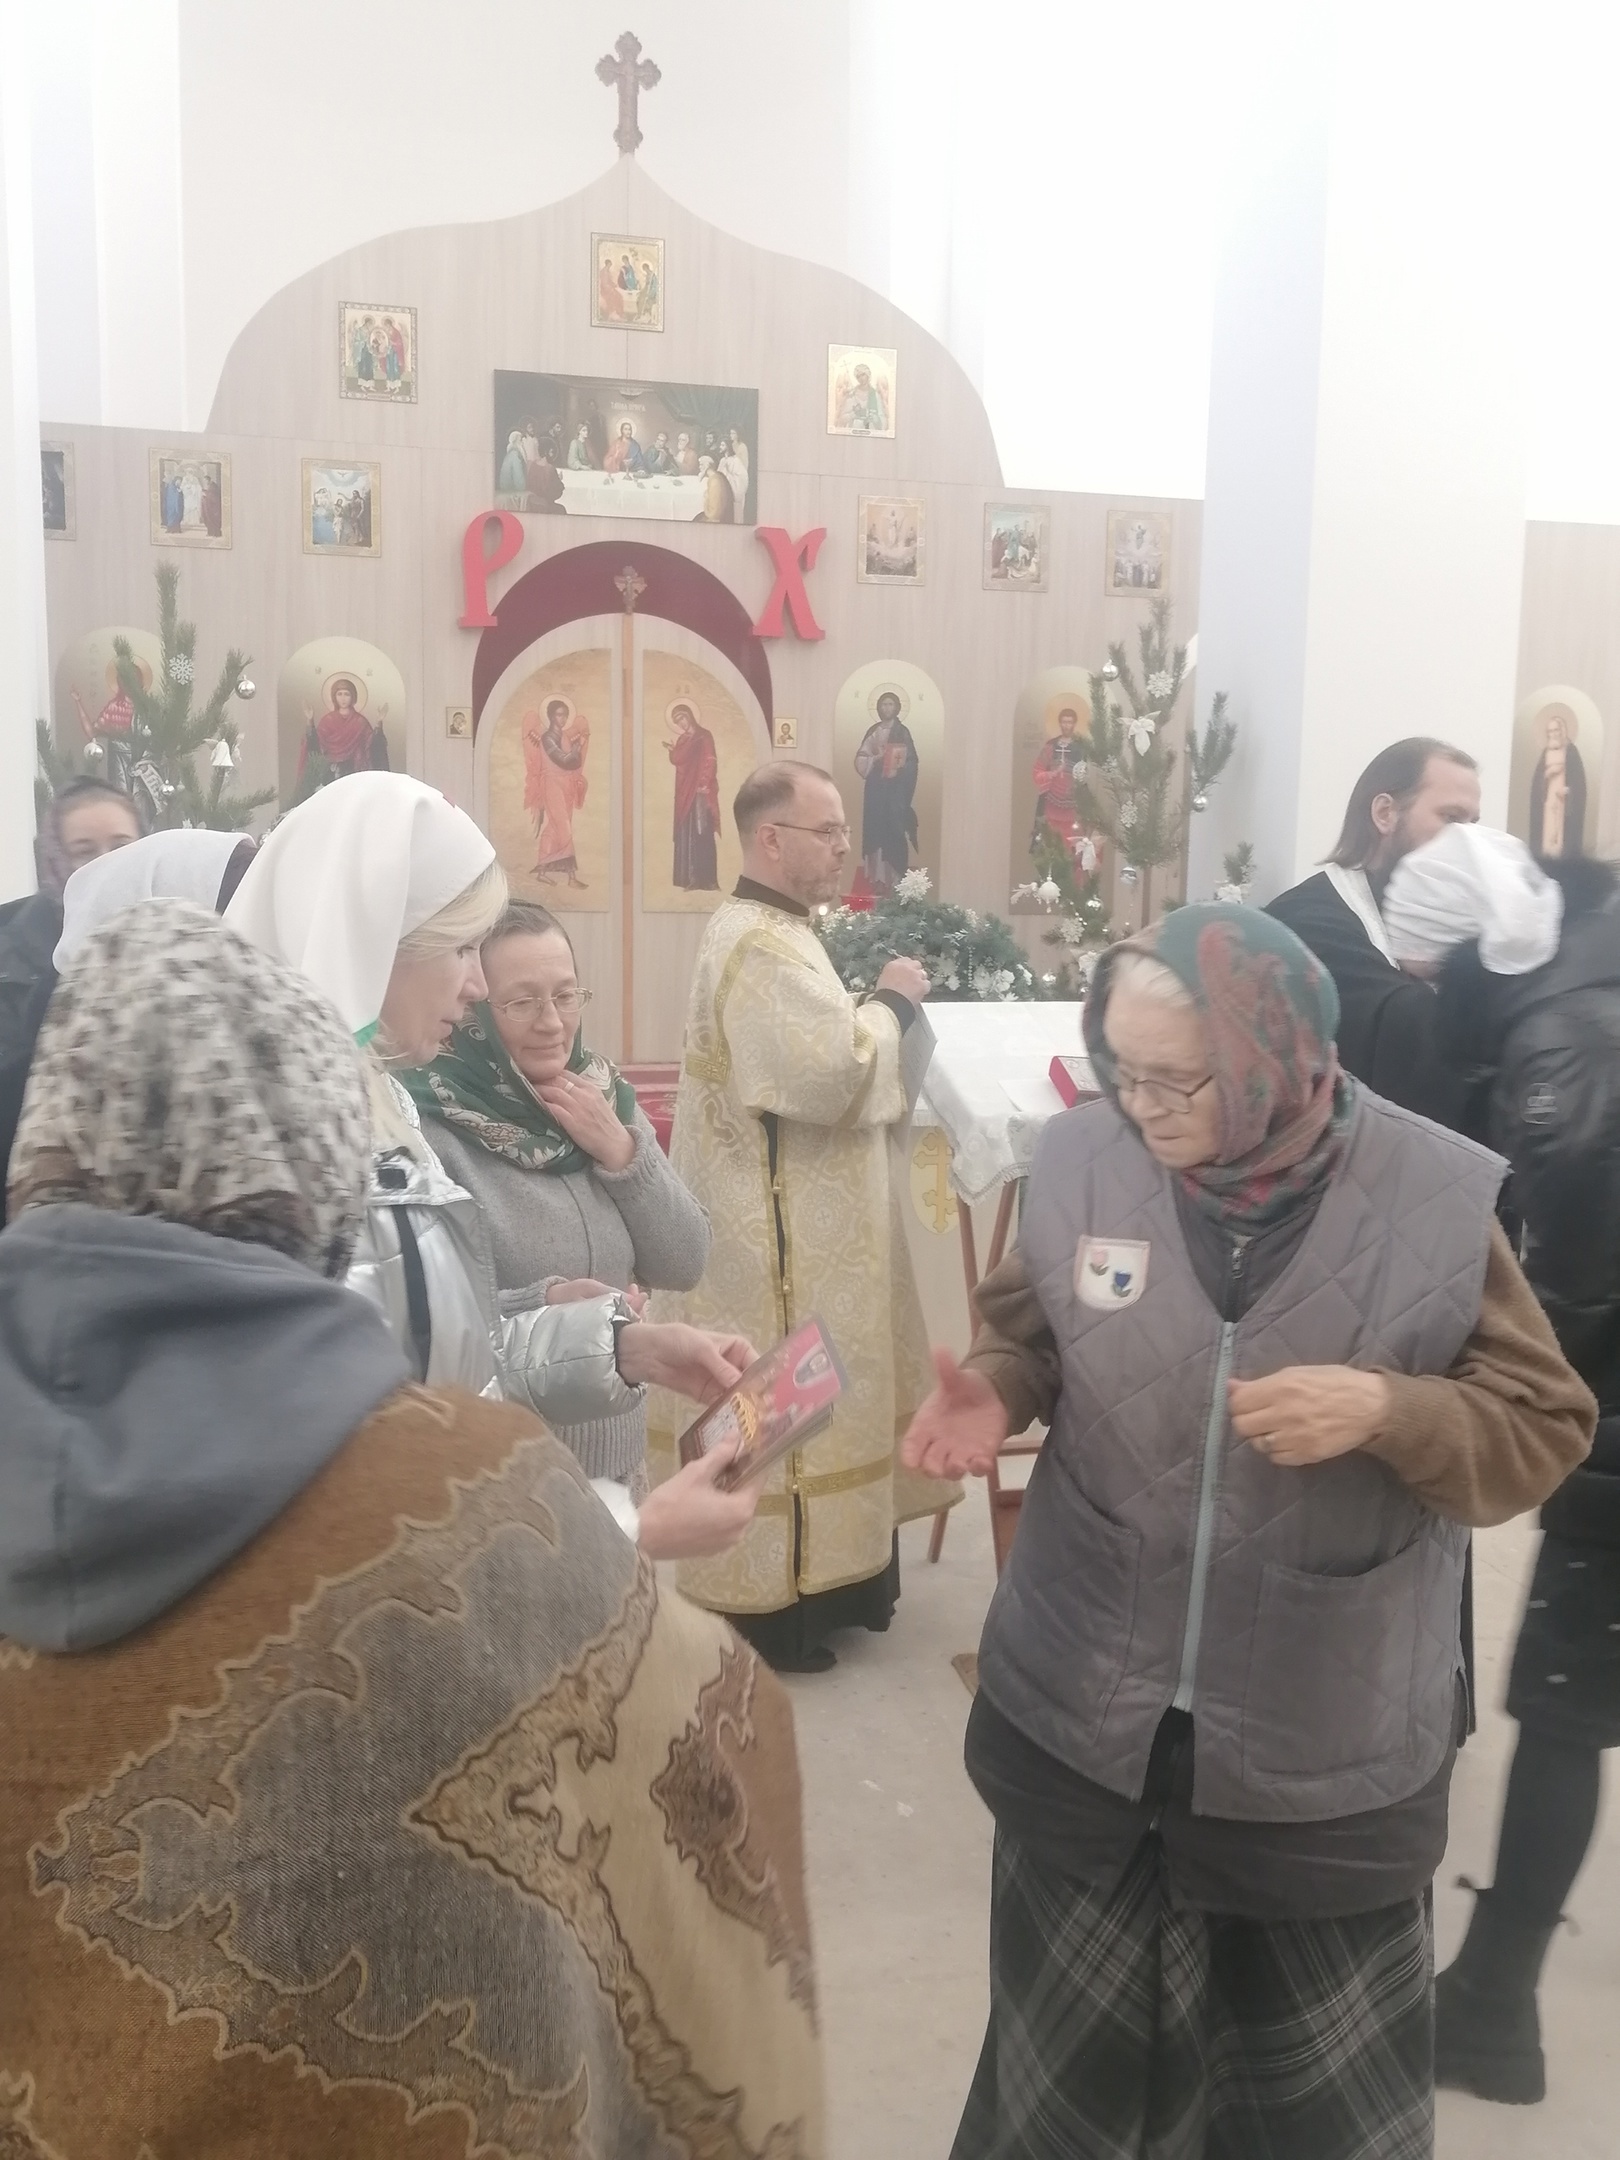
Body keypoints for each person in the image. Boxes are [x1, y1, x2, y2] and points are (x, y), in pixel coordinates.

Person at [0, 901, 823, 2159]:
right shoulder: (477, 1503)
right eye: (486, 973)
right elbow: (714, 1783)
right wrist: (622, 1542)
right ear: (313, 1152)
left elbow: (496, 1321)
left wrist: (618, 1334)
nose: (512, 1006)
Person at [902, 903, 1594, 2160]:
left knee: (1295, 2115)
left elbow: (1544, 1425)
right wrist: (995, 1389)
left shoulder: (1434, 1195)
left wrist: (1392, 1410)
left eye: (1179, 1078)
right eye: (1121, 1069)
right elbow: (1030, 1329)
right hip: (1088, 1721)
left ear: (1278, 1053)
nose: (1143, 1107)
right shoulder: (1086, 1155)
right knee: (1068, 2106)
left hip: (1316, 1754)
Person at [226, 773, 751, 1534]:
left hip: (519, 1515)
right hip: (462, 1531)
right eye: (465, 950)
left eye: (566, 995)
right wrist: (633, 1533)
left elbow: (449, 1354)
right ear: (375, 941)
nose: (475, 985)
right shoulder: (318, 1143)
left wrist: (626, 1347)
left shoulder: (387, 1104)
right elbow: (382, 1426)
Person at [1384, 824, 1620, 2105]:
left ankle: (1491, 2010)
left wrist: (1483, 1412)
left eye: (1427, 974)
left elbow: (1576, 1288)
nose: (1424, 999)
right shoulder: (1596, 975)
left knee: (1566, 1702)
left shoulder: (1564, 1044)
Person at [648, 760, 959, 1673]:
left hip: (796, 1216)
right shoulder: (763, 943)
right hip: (777, 1235)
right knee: (786, 1396)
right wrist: (893, 999)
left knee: (812, 1395)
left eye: (843, 830)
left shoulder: (772, 930)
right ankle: (776, 1610)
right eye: (826, 831)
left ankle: (827, 1590)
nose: (843, 847)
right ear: (770, 839)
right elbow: (833, 1073)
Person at [411, 901, 710, 1490]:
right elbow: (429, 1329)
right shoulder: (431, 1132)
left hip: (620, 1472)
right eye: (522, 1002)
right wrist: (545, 1301)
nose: (552, 1023)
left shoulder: (603, 1099)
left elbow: (686, 1261)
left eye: (566, 995)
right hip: (512, 1483)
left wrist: (621, 1153)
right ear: (473, 1011)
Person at [1268, 736, 1481, 1126]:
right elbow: (1404, 1039)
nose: (1468, 842)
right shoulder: (1305, 921)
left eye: (1473, 824)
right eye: (1451, 819)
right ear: (1385, 814)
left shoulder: (1454, 924)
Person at [0, 779, 144, 1218]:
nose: (107, 863)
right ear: (54, 862)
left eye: (121, 846)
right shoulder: (12, 957)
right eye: (85, 851)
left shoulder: (175, 945)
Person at [854, 690, 920, 892]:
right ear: (878, 708)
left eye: (891, 704)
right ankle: (877, 879)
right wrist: (876, 758)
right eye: (884, 704)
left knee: (893, 831)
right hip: (875, 790)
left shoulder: (903, 732)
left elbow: (912, 762)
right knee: (875, 830)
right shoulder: (874, 730)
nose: (887, 708)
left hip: (895, 793)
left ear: (897, 707)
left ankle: (894, 879)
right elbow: (862, 757)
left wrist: (899, 767)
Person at [292, 677, 390, 802]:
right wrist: (310, 721)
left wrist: (379, 723)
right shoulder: (327, 721)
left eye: (347, 694)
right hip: (330, 773)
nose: (343, 698)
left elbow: (373, 747)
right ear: (334, 696)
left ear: (353, 696)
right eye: (340, 694)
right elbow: (315, 748)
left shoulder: (360, 722)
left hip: (354, 771)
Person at [524, 697, 589, 886]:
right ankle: (572, 877)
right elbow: (564, 760)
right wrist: (578, 748)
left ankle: (542, 871)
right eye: (559, 714)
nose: (563, 718)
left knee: (553, 828)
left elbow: (574, 763)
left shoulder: (565, 737)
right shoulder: (547, 738)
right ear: (551, 716)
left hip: (566, 785)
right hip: (552, 784)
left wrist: (576, 751)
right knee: (564, 827)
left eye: (565, 715)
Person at [667, 700, 721, 889]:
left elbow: (710, 760)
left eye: (682, 718)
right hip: (685, 792)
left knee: (702, 831)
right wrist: (672, 751)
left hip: (700, 791)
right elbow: (677, 759)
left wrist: (704, 783)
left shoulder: (703, 736)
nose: (681, 724)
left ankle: (707, 880)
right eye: (677, 721)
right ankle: (689, 879)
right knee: (686, 831)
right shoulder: (682, 740)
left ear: (689, 716)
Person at [1530, 707, 1587, 862]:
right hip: (1548, 802)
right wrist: (1548, 775)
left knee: (1560, 835)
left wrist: (1568, 791)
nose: (1553, 734)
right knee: (1548, 834)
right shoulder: (1545, 753)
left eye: (1556, 730)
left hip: (1564, 803)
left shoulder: (1571, 752)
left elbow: (1579, 784)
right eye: (1550, 731)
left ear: (1562, 731)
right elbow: (1537, 785)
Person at [1031, 705, 1089, 859]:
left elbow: (1088, 773)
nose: (1066, 726)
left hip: (1072, 804)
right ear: (1059, 723)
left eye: (1069, 722)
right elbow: (1037, 773)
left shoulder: (1081, 747)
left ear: (1074, 724)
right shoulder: (1050, 746)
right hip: (1051, 802)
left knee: (1071, 846)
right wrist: (1052, 773)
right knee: (1050, 844)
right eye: (1064, 722)